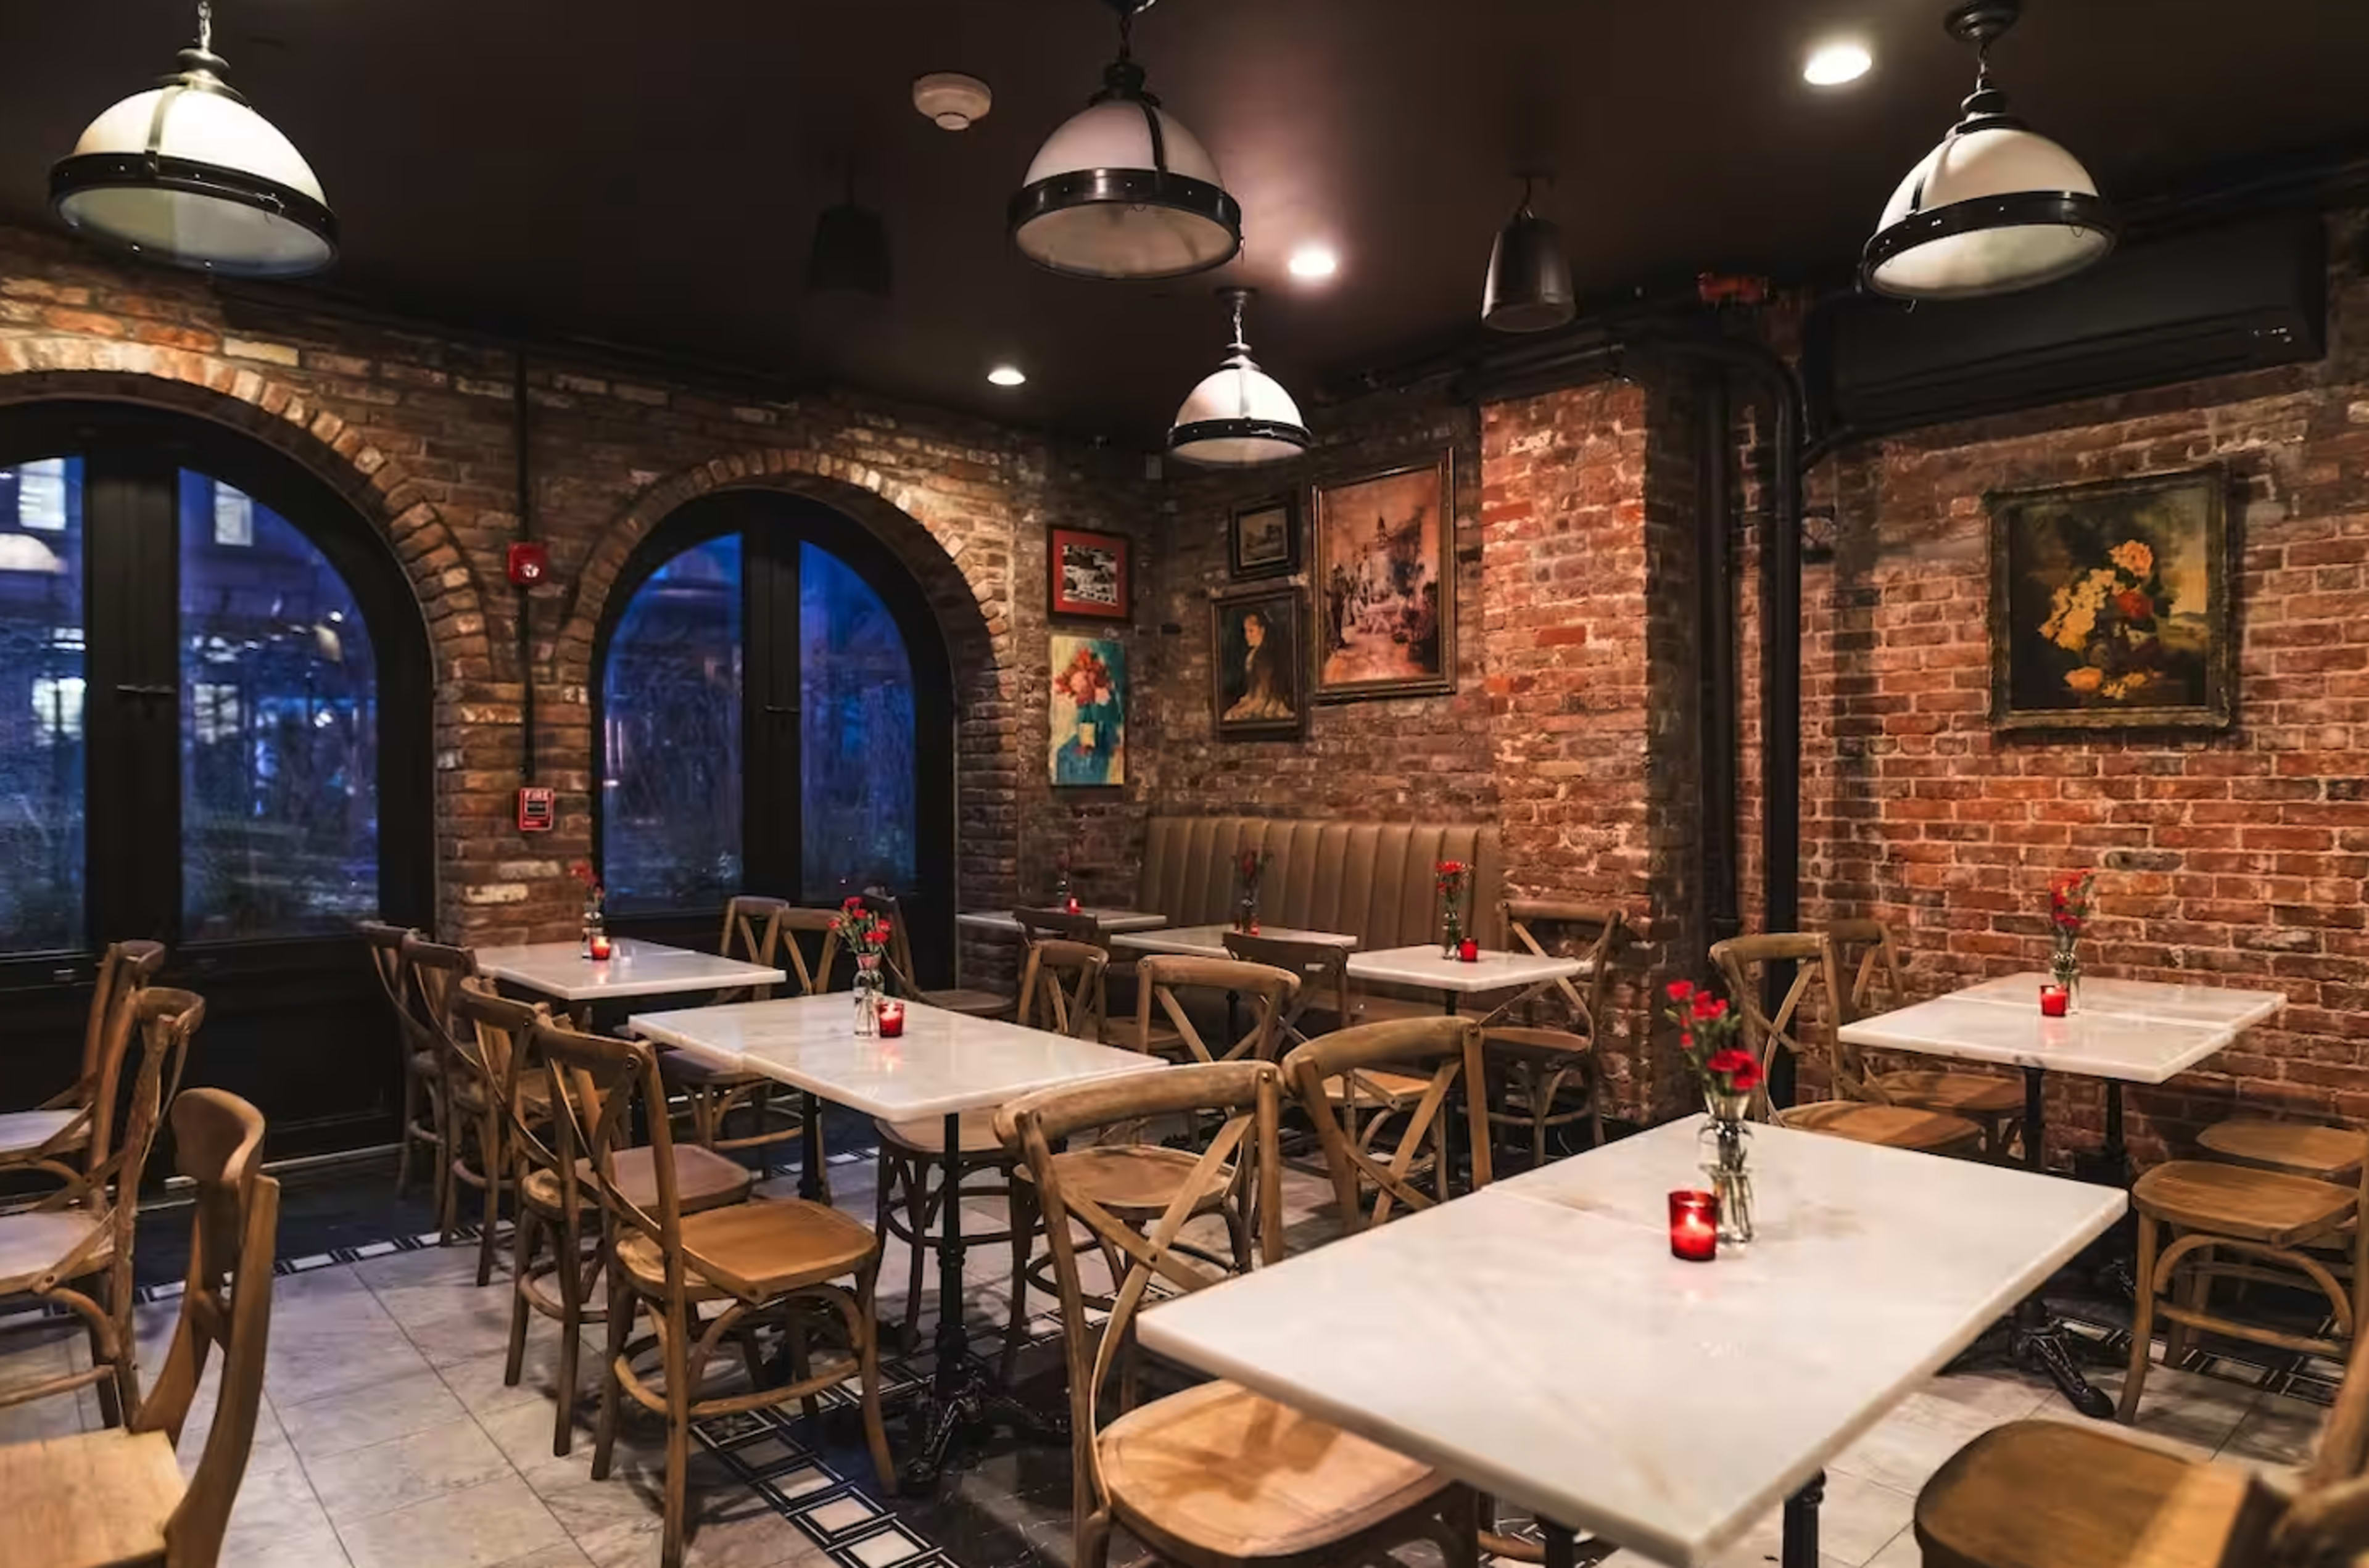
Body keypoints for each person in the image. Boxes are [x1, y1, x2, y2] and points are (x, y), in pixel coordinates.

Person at [1223, 608, 1292, 722]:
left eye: (1251, 631)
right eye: (1246, 631)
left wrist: (1241, 710)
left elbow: (1263, 697)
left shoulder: (1264, 658)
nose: (1247, 636)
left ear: (1262, 631)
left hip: (1268, 707)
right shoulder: (1253, 655)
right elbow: (1252, 693)